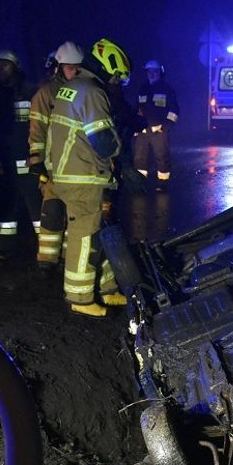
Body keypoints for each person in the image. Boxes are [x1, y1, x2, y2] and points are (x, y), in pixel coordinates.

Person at [45, 37, 131, 317]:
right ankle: (80, 298)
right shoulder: (93, 91)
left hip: (69, 172)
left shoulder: (71, 88)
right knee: (85, 236)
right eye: (117, 77)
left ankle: (106, 288)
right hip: (83, 175)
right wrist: (123, 157)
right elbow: (103, 141)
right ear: (110, 69)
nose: (116, 84)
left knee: (97, 231)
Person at [29, 40, 83, 270]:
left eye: (77, 67)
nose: (74, 71)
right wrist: (36, 160)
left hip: (77, 166)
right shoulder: (46, 93)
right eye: (70, 67)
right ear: (60, 67)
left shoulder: (84, 90)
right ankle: (47, 260)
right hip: (52, 166)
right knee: (51, 212)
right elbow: (37, 128)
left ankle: (66, 259)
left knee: (75, 216)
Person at [0, 48, 38, 262]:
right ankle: (4, 247)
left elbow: (39, 126)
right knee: (6, 205)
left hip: (27, 157)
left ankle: (47, 249)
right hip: (3, 160)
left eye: (4, 65)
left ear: (15, 67)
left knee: (35, 204)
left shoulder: (30, 91)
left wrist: (36, 154)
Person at [132, 59, 179, 191]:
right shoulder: (143, 88)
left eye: (154, 71)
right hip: (142, 130)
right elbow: (137, 108)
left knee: (162, 156)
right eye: (149, 71)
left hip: (159, 130)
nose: (151, 74)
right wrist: (134, 126)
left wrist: (165, 126)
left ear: (160, 72)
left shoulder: (167, 89)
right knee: (139, 158)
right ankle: (140, 183)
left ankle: (162, 183)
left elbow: (174, 110)